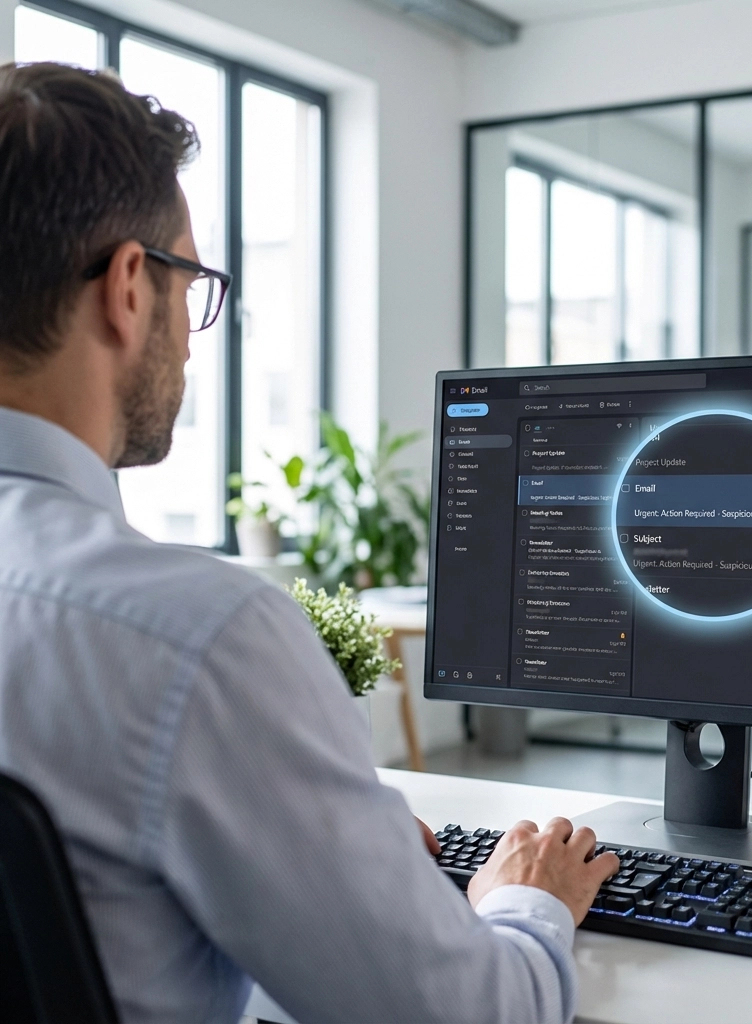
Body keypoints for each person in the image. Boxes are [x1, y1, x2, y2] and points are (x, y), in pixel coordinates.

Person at [0, 62, 618, 1023]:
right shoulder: (189, 637)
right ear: (129, 286)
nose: (194, 336)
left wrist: (335, 872)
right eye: (189, 281)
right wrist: (524, 904)